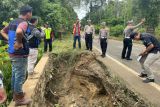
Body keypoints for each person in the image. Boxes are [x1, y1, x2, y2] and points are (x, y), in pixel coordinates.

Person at [0, 5, 32, 106]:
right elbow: (19, 32)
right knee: (20, 75)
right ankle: (19, 98)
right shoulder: (24, 23)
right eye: (31, 13)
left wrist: (10, 40)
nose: (31, 15)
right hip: (19, 54)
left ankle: (16, 94)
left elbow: (2, 31)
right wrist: (18, 42)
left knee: (15, 74)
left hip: (12, 53)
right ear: (28, 13)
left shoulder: (13, 21)